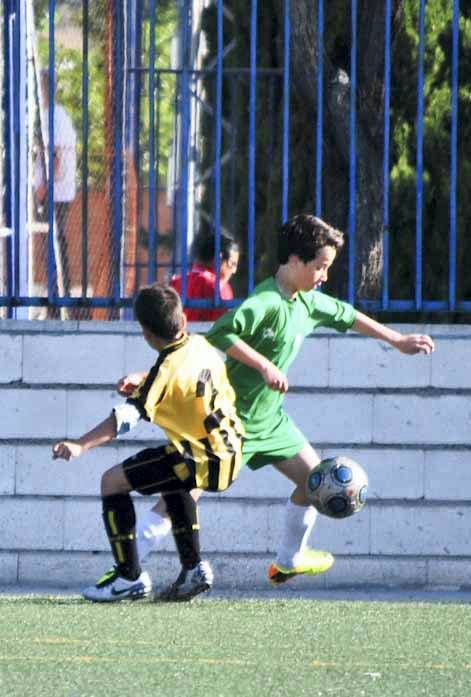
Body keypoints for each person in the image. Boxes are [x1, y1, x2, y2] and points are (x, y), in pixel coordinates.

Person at [116, 214, 435, 591]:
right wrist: (264, 365)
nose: (325, 276)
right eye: (321, 266)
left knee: (316, 480)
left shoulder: (308, 302)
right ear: (296, 261)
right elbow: (221, 332)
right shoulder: (265, 301)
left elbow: (349, 317)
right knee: (179, 499)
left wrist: (397, 341)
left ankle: (288, 558)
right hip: (228, 423)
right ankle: (126, 575)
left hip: (270, 421)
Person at [52, 283, 244, 602]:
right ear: (182, 320)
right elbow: (174, 373)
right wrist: (143, 378)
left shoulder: (166, 371)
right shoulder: (200, 344)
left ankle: (129, 577)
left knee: (111, 482)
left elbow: (126, 417)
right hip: (231, 450)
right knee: (175, 481)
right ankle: (193, 568)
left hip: (200, 457)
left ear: (146, 334)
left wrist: (80, 445)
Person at [33, 69, 77, 299]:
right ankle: (59, 295)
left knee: (54, 246)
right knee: (56, 245)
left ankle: (58, 296)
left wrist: (42, 191)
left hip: (54, 193)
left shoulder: (53, 117)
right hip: (59, 192)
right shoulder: (60, 116)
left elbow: (56, 157)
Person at [170, 232, 239, 321]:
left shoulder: (175, 283)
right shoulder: (219, 287)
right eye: (232, 264)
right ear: (219, 258)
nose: (234, 271)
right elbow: (227, 326)